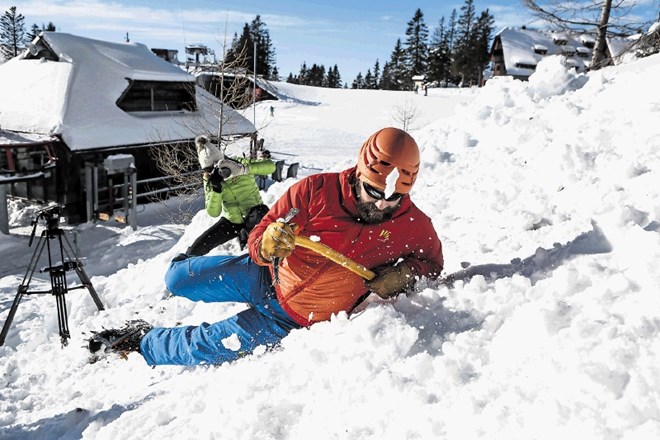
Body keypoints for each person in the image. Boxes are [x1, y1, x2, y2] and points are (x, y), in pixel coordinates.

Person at [89, 127, 444, 366]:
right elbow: (259, 235)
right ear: (360, 172)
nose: (382, 205)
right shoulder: (315, 191)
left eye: (395, 198)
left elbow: (433, 263)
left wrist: (407, 274)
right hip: (261, 274)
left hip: (288, 319)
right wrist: (267, 244)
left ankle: (143, 342)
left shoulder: (413, 225)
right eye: (375, 193)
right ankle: (185, 267)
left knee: (207, 345)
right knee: (177, 281)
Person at [187, 135, 275, 255]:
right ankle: (186, 263)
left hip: (255, 215)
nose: (214, 171)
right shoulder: (210, 180)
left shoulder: (239, 163)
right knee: (198, 247)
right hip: (232, 221)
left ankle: (249, 249)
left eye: (216, 166)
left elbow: (271, 167)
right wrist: (216, 189)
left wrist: (244, 169)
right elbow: (213, 212)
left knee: (257, 220)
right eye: (208, 169)